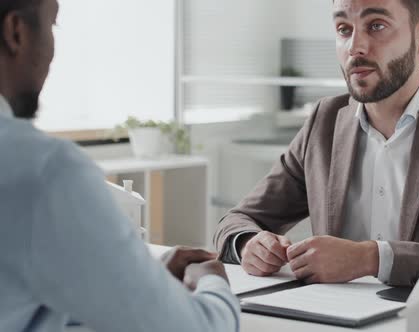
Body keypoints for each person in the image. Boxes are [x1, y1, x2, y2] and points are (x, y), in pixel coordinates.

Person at [214, 0, 419, 287]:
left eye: (376, 25)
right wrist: (248, 243)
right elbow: (237, 220)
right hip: (327, 320)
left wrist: (372, 258)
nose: (355, 46)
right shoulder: (323, 121)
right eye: (343, 29)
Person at [0, 0, 239, 331]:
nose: (53, 53)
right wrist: (214, 284)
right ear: (17, 32)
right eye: (53, 26)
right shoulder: (44, 170)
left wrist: (136, 281)